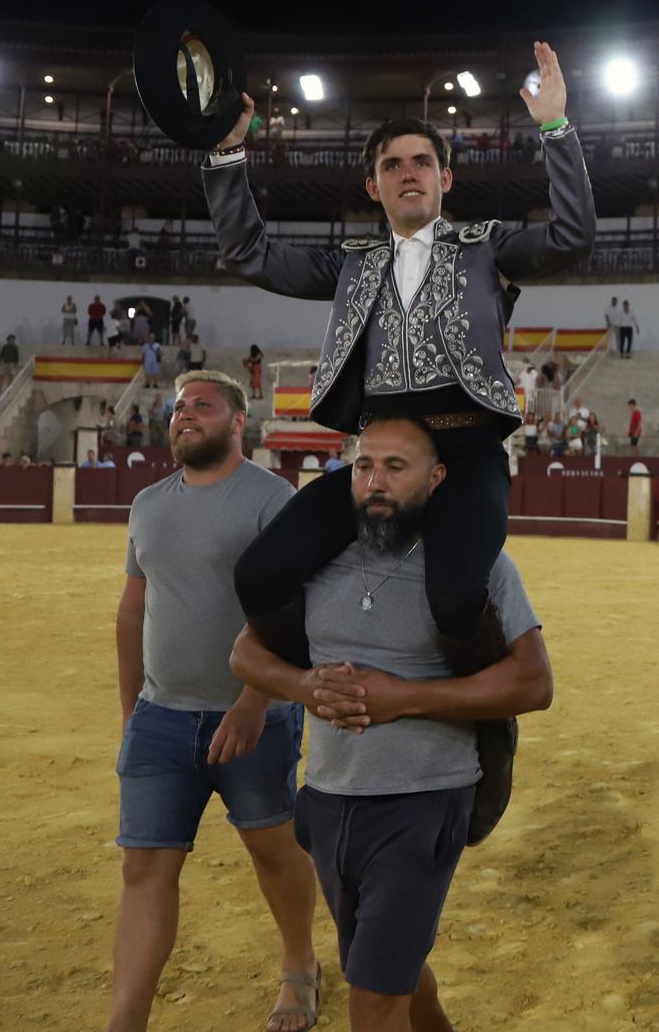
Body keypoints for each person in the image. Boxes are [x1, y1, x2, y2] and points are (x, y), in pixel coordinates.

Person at [202, 49, 590, 847]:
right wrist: (228, 152)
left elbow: (574, 235)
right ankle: (326, 689)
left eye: (422, 162)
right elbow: (248, 253)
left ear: (447, 178)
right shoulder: (351, 261)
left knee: (455, 598)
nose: (408, 172)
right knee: (259, 573)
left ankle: (488, 726)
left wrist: (555, 124)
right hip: (374, 460)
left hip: (468, 454)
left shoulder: (487, 246)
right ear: (371, 186)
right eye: (392, 164)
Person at [228, 413, 554, 1032]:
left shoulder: (479, 566)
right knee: (382, 972)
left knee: (374, 999)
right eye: (364, 466)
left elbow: (534, 684)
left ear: (436, 479)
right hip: (327, 798)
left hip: (423, 802)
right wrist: (304, 687)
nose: (375, 481)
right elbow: (243, 653)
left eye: (395, 468)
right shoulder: (318, 560)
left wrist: (406, 697)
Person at [108, 372, 321, 1032]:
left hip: (254, 719)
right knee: (144, 866)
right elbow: (132, 611)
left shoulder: (273, 498)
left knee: (273, 848)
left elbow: (294, 609)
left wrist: (256, 700)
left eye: (202, 405)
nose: (185, 415)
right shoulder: (147, 503)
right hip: (160, 716)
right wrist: (131, 714)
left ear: (238, 421)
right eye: (178, 407)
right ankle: (126, 1019)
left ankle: (299, 961)